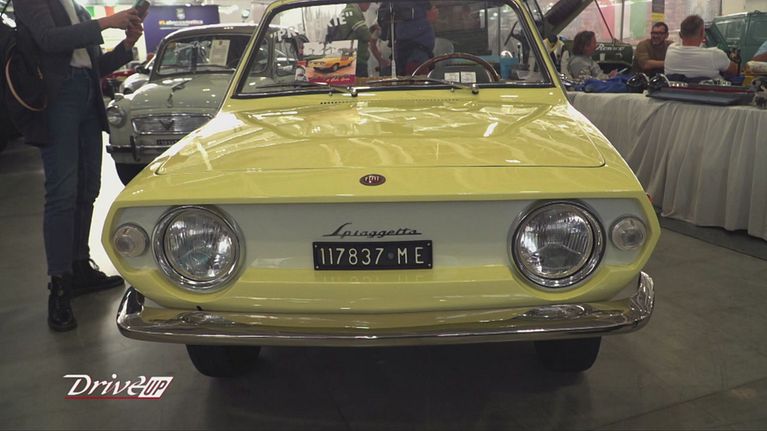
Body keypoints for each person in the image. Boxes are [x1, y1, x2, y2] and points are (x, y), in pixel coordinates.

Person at [14, 1, 145, 331]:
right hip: (59, 97)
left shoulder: (76, 7)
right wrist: (106, 23)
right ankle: (59, 283)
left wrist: (126, 45)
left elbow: (94, 64)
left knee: (88, 187)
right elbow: (48, 39)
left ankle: (79, 267)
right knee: (62, 192)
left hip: (87, 92)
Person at [664, 15, 737, 81]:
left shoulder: (671, 49)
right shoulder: (715, 54)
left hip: (675, 91)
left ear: (680, 35)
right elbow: (734, 71)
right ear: (703, 33)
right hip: (710, 91)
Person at [379, 1, 435, 76]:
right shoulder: (406, 7)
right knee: (417, 81)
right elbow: (404, 31)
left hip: (417, 53)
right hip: (414, 54)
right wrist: (427, 20)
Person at [328, 3, 372, 77]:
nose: (369, 4)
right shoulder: (352, 12)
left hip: (349, 58)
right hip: (357, 59)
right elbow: (366, 35)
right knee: (360, 82)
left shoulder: (346, 12)